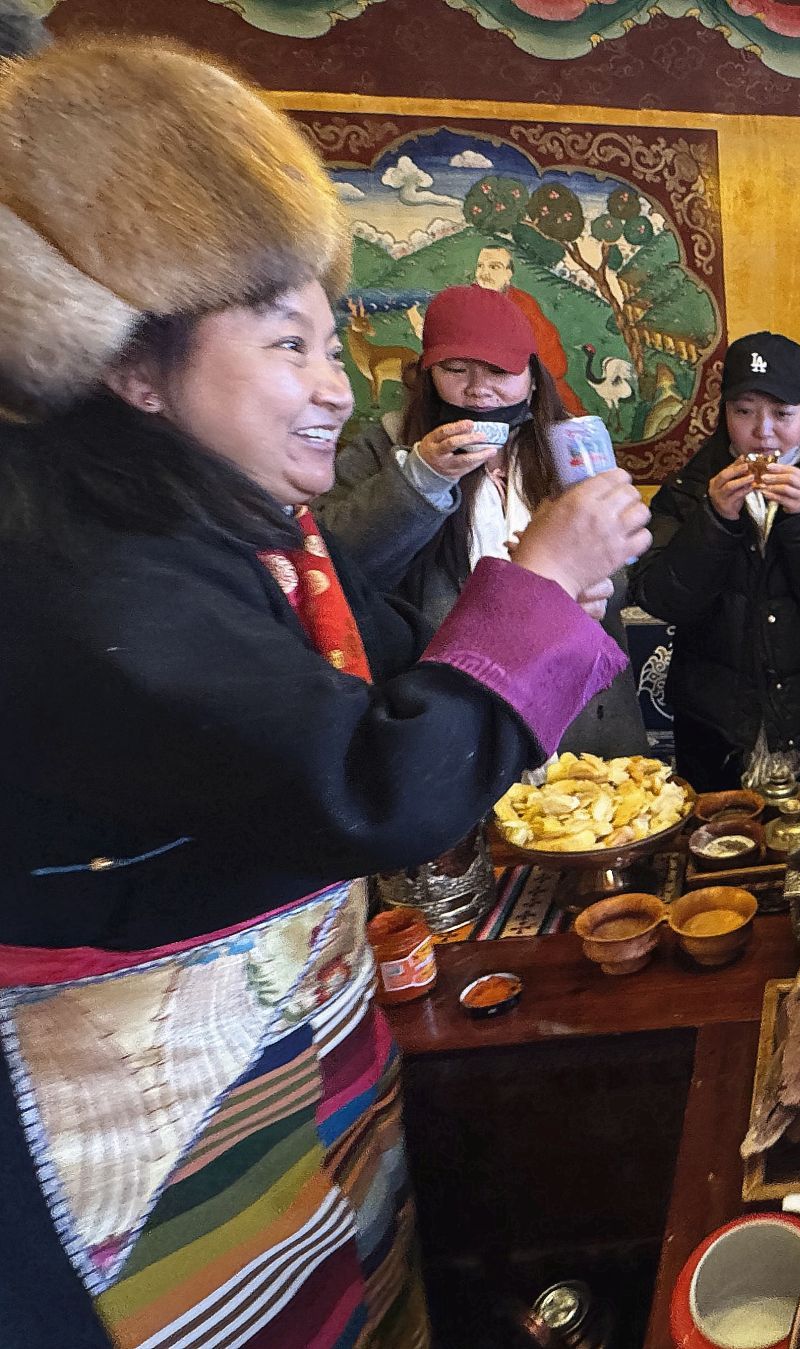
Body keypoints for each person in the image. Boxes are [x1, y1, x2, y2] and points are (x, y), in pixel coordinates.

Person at [0, 39, 652, 1348]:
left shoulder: (227, 521)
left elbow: (381, 662)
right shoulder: (91, 568)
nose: (331, 385)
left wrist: (543, 599)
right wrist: (535, 586)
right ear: (135, 367)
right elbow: (371, 782)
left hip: (293, 1046)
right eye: (286, 343)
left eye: (329, 341)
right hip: (147, 1118)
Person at [315, 283, 650, 755]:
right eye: (455, 369)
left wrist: (595, 586)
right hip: (453, 710)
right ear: (427, 373)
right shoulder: (385, 447)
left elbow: (624, 560)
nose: (477, 389)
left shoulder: (572, 447)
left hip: (582, 714)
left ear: (533, 376)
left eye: (498, 371)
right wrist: (418, 481)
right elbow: (334, 572)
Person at [632, 333, 800, 790]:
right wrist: (714, 519)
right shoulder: (686, 493)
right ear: (723, 414)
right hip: (712, 723)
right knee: (716, 831)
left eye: (782, 414)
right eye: (744, 411)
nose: (763, 431)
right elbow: (661, 598)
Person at [473, 243, 586, 416]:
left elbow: (552, 357)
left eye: (494, 267)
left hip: (526, 385)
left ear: (508, 273)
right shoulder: (464, 302)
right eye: (481, 266)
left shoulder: (523, 304)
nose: (485, 273)